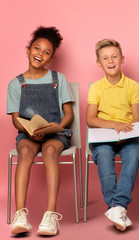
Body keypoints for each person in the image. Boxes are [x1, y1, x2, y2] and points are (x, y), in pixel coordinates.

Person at [7, 26, 74, 236]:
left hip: (55, 132)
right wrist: (29, 130)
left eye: (47, 52)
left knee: (50, 153)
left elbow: (69, 113)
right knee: (25, 153)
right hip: (28, 133)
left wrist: (57, 127)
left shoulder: (58, 79)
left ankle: (51, 215)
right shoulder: (16, 84)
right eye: (37, 48)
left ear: (51, 58)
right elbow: (16, 119)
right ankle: (20, 214)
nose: (40, 54)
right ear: (28, 50)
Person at [86, 39, 139, 231]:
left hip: (128, 136)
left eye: (114, 56)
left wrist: (124, 133)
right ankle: (116, 207)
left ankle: (117, 206)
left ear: (122, 59)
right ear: (99, 63)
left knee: (134, 154)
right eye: (105, 58)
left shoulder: (133, 86)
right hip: (103, 136)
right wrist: (115, 126)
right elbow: (91, 119)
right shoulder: (96, 87)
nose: (110, 61)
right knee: (103, 155)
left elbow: (137, 119)